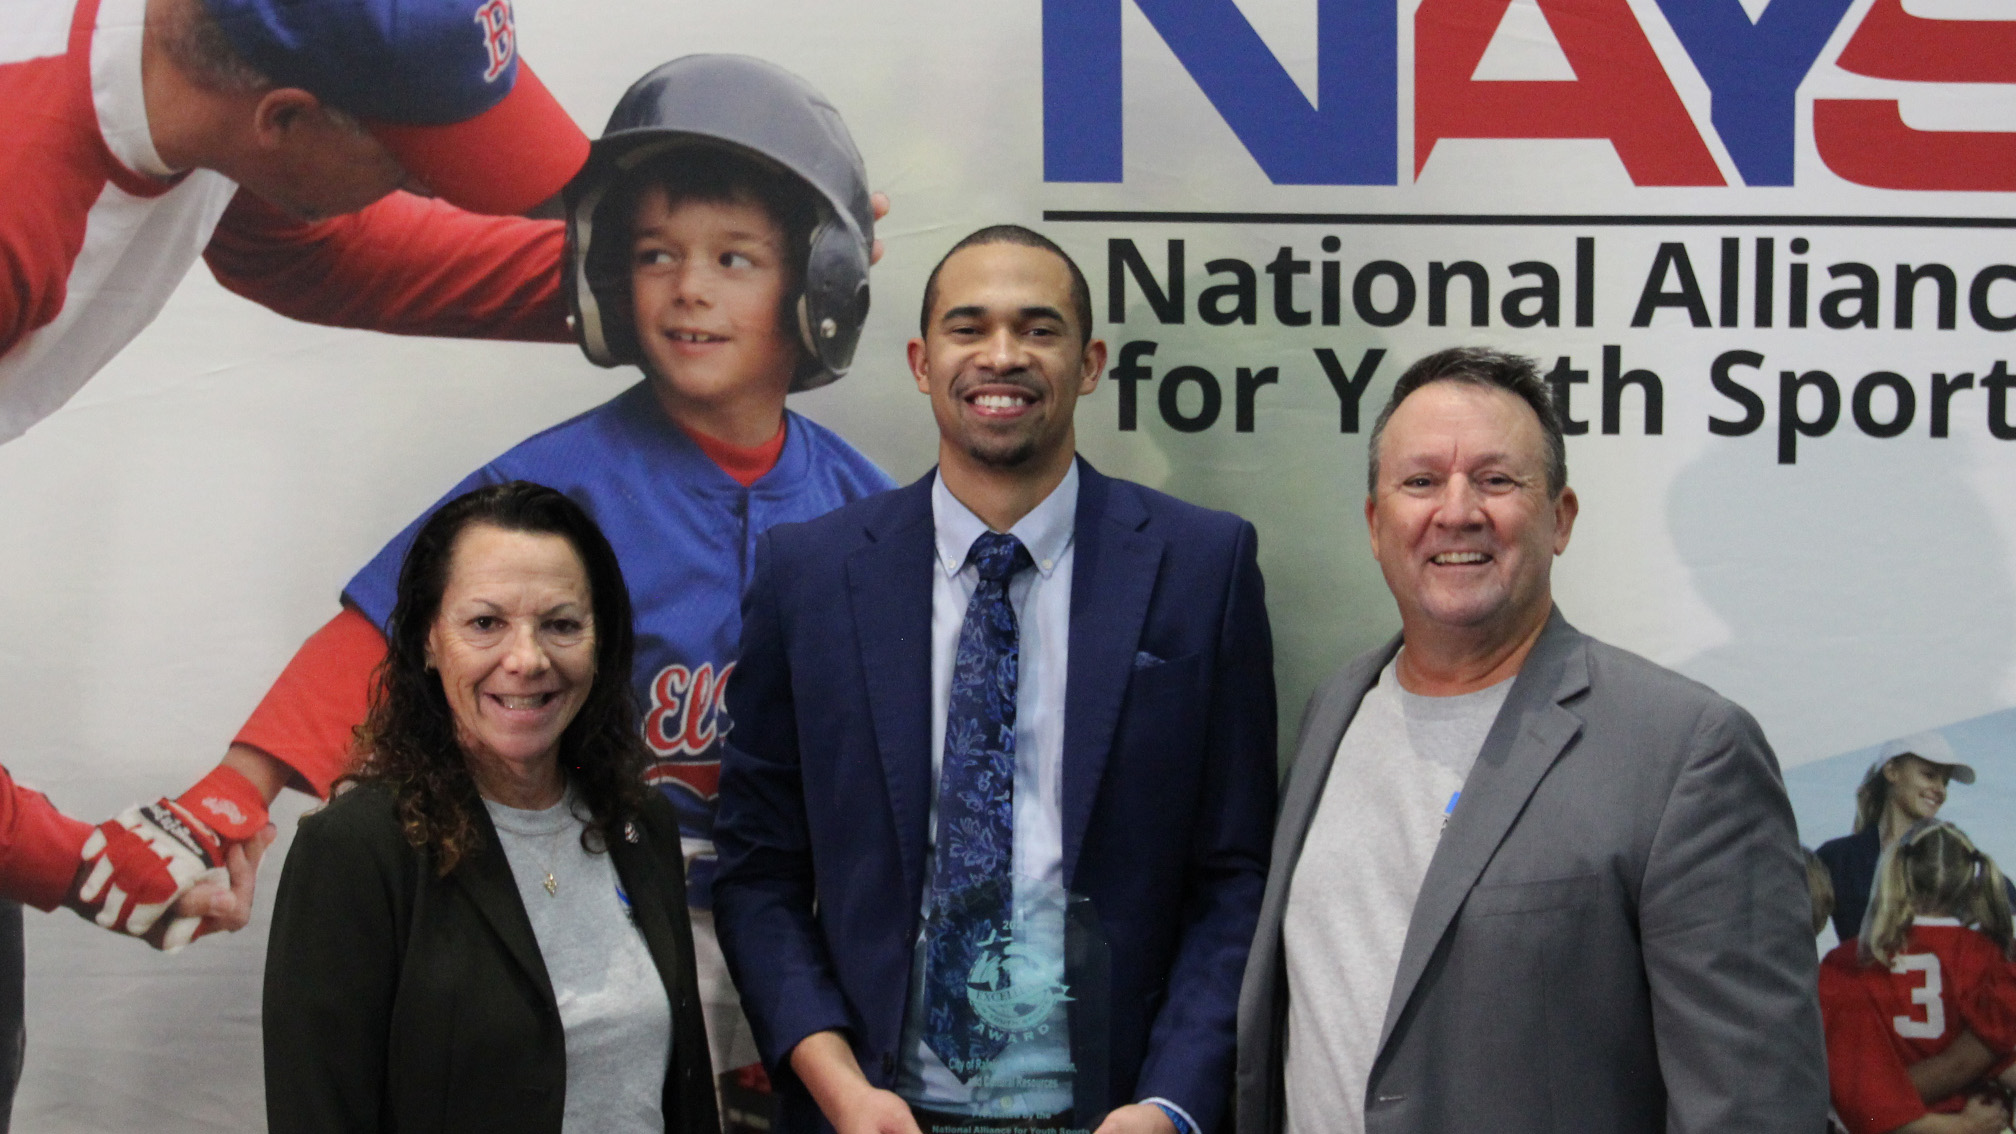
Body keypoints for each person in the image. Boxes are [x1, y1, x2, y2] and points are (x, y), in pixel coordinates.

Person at [226, 54, 890, 1130]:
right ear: (602, 278)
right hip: (600, 925)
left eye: (735, 257)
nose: (688, 288)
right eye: (653, 255)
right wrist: (237, 789)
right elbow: (378, 645)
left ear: (819, 281)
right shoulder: (550, 489)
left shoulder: (868, 507)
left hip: (805, 954)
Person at [2, 0, 604, 956]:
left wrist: (638, 278)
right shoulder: (15, 194)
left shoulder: (189, 91)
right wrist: (56, 856)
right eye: (411, 160)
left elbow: (301, 248)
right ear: (283, 118)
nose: (424, 182)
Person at [712, 225, 1277, 1134]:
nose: (1002, 356)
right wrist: (839, 1089)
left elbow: (1234, 875)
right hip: (876, 1109)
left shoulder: (1201, 567)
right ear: (921, 361)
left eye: (1039, 329)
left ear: (1090, 362)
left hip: (1111, 1111)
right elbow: (758, 871)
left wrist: (1170, 1106)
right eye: (968, 328)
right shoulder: (809, 578)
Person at [1234, 346, 1827, 1134]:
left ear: (1561, 519)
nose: (1457, 510)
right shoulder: (1335, 707)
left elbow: (1754, 1108)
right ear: (1377, 526)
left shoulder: (1690, 751)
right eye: (1420, 482)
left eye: (1497, 479)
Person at [263, 480, 719, 1134]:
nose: (527, 659)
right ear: (427, 641)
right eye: (485, 623)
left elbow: (684, 1093)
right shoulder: (356, 851)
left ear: (600, 641)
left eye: (561, 624)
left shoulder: (640, 824)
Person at [1820, 819, 2016, 1134]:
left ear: (1897, 873)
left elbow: (1854, 1102)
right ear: (1969, 876)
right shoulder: (1991, 960)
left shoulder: (1845, 963)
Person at [1819, 732, 1979, 942]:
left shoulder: (1955, 857)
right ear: (1892, 771)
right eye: (1929, 775)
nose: (1940, 790)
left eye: (1945, 781)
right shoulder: (1839, 858)